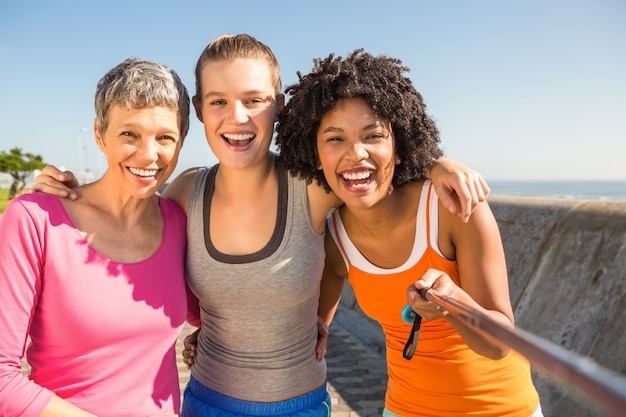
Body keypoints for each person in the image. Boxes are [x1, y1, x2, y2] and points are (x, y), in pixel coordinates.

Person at [29, 34, 490, 417]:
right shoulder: (185, 194)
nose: (238, 118)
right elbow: (124, 214)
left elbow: (372, 171)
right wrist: (64, 187)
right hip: (204, 403)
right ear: (199, 109)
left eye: (254, 100)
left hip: (300, 405)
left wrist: (438, 165)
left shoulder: (311, 187)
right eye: (218, 102)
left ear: (279, 106)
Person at [274, 49, 542, 416]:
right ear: (315, 155)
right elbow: (323, 292)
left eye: (373, 136)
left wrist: (453, 304)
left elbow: (499, 343)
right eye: (335, 139)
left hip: (500, 409)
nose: (356, 153)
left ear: (399, 146)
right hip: (402, 409)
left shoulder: (454, 209)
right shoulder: (333, 236)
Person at [0, 58, 190, 416]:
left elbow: (211, 311)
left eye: (165, 137)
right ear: (100, 134)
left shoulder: (179, 223)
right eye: (129, 134)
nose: (149, 155)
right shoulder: (34, 220)